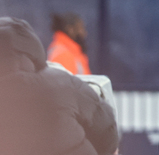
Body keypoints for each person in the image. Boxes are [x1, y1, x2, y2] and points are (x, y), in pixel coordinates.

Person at [0, 17, 118, 155]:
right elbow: (106, 133)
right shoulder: (62, 74)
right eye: (81, 28)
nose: (84, 33)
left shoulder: (68, 54)